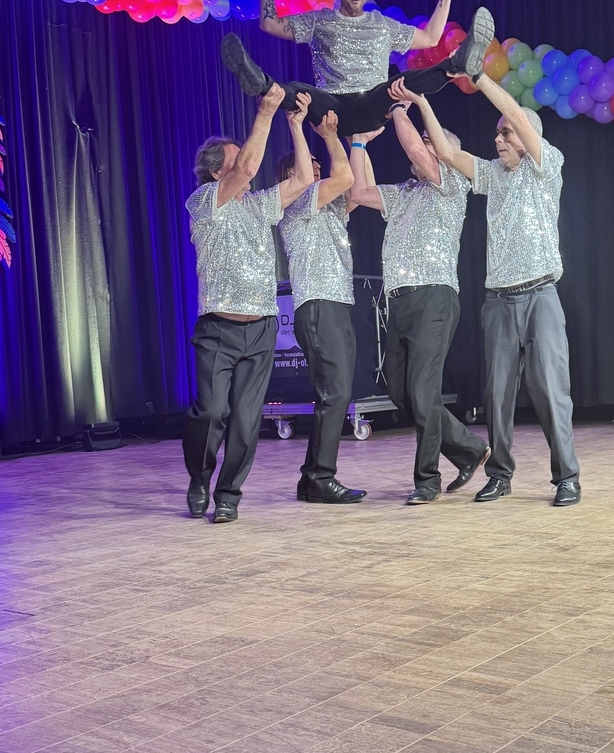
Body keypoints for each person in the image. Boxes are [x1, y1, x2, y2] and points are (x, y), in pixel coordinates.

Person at [425, 75, 581, 507]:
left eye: (506, 132)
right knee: (496, 394)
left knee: (551, 390)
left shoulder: (546, 165)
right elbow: (447, 153)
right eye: (496, 133)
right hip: (498, 299)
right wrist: (420, 101)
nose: (498, 138)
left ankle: (567, 477)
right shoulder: (492, 175)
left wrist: (479, 78)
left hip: (541, 295)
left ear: (528, 138)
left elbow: (516, 114)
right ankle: (500, 474)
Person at [348, 77, 488, 504]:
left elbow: (415, 151)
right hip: (399, 302)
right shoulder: (404, 193)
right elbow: (359, 192)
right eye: (424, 140)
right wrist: (359, 144)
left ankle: (427, 480)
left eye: (430, 142)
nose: (421, 145)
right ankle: (468, 449)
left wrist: (397, 108)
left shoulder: (451, 184)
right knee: (400, 392)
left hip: (434, 297)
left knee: (424, 391)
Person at [183, 85, 313, 523]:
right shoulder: (204, 202)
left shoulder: (258, 206)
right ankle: (199, 478)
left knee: (245, 418)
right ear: (217, 171)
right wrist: (266, 112)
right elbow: (249, 167)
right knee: (211, 411)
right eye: (237, 161)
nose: (248, 167)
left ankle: (228, 496)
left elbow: (303, 179)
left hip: (260, 329)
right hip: (218, 328)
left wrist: (295, 125)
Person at [219, 0, 495, 137]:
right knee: (300, 90)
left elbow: (431, 38)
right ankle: (259, 82)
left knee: (402, 82)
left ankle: (456, 65)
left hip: (373, 105)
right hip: (332, 106)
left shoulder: (382, 24)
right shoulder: (319, 21)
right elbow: (269, 24)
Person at [276, 100, 372, 505]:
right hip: (318, 304)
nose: (317, 169)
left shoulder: (328, 208)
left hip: (335, 303)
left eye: (319, 165)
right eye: (309, 166)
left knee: (334, 393)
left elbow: (358, 187)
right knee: (335, 393)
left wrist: (359, 143)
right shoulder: (296, 203)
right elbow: (343, 175)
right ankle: (320, 477)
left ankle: (311, 478)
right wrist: (330, 138)